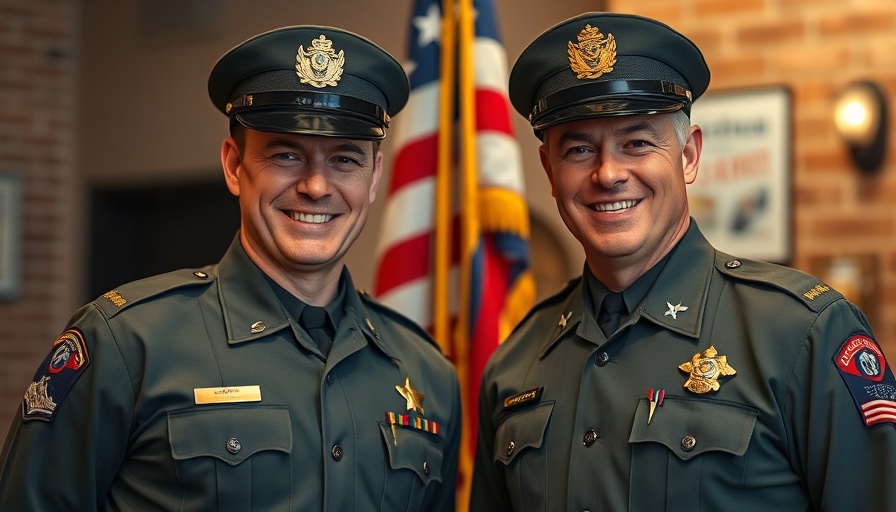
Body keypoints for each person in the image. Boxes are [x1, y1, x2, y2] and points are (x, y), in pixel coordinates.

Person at [0, 25, 460, 511]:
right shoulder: (126, 345)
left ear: (374, 179)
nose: (317, 186)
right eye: (287, 155)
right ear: (234, 166)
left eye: (346, 159)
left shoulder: (425, 372)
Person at [470, 12, 896, 511]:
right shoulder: (515, 364)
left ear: (689, 155)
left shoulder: (802, 336)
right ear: (549, 170)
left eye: (638, 143)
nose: (608, 174)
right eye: (580, 149)